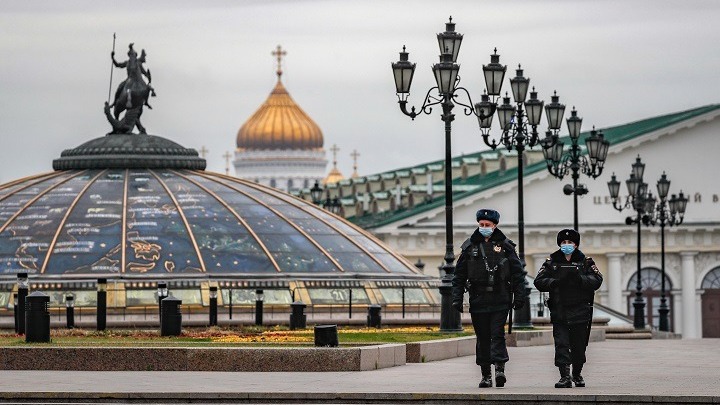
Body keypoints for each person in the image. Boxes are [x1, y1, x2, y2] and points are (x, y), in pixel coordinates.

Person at [452, 209, 528, 388]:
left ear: (495, 225)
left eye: (487, 225)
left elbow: (517, 273)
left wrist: (519, 296)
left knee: (497, 334)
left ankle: (499, 369)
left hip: (500, 297)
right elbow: (459, 275)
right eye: (481, 225)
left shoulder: (506, 246)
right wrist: (456, 298)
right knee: (483, 337)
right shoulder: (469, 247)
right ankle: (486, 374)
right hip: (478, 299)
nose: (484, 227)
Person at [534, 228, 603, 388]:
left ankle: (577, 374)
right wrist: (555, 282)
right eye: (564, 242)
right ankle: (564, 376)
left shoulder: (586, 262)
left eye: (570, 242)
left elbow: (597, 280)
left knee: (579, 345)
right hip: (560, 311)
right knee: (562, 344)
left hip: (580, 310)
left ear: (576, 244)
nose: (567, 245)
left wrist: (580, 279)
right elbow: (539, 281)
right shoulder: (552, 262)